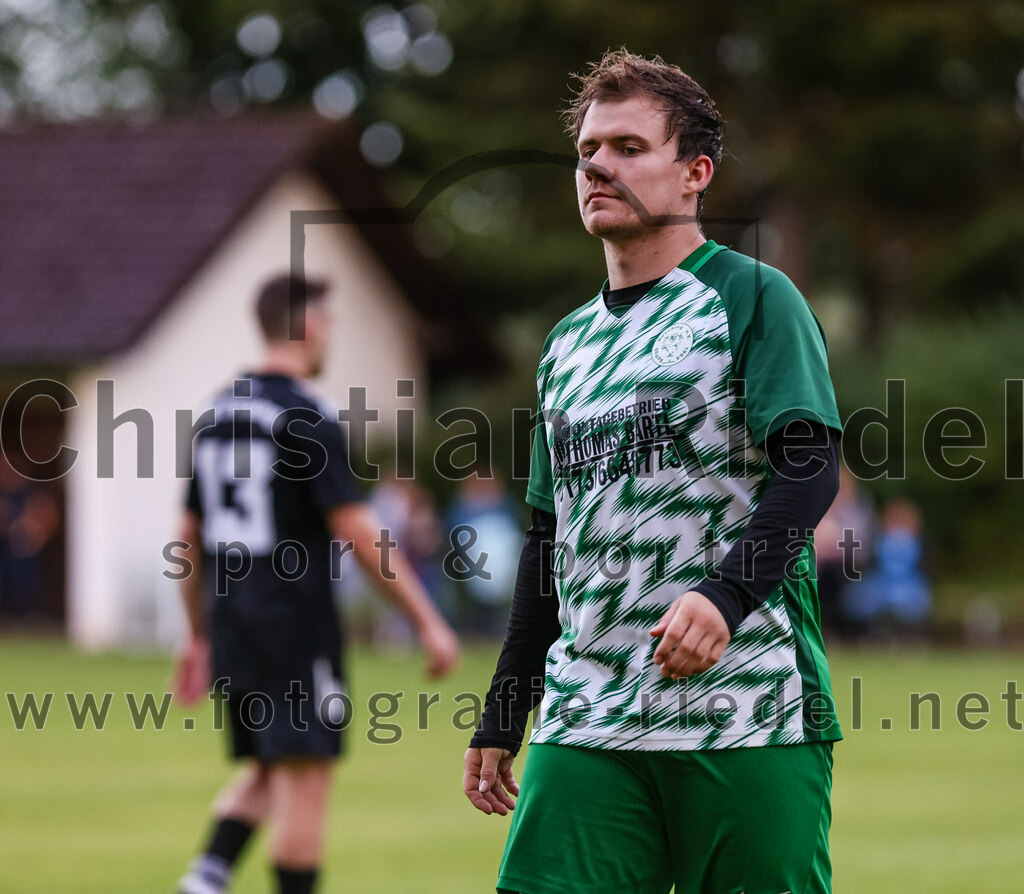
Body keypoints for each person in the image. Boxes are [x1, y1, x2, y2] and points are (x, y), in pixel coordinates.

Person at [463, 50, 844, 894]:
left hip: (747, 707)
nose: (597, 165)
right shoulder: (566, 346)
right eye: (588, 150)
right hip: (588, 714)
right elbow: (547, 542)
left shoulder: (752, 296)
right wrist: (506, 706)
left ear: (694, 174)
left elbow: (811, 468)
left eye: (629, 148)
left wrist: (726, 595)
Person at [173, 273, 459, 894]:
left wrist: (196, 634)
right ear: (307, 325)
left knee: (267, 767)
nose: (330, 334)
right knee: (304, 780)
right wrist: (426, 619)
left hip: (233, 622)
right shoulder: (306, 416)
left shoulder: (217, 413)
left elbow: (187, 537)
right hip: (293, 625)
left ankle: (204, 881)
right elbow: (357, 530)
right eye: (328, 322)